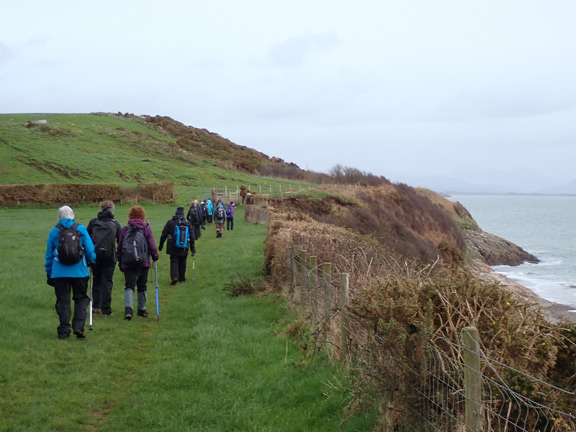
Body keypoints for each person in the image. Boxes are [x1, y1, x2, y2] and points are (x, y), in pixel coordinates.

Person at [45, 205, 96, 339]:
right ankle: (79, 326)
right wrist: (92, 261)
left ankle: (64, 330)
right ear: (73, 215)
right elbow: (90, 250)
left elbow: (49, 256)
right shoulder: (80, 229)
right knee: (80, 299)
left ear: (59, 217)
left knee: (63, 301)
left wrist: (49, 272)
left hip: (59, 273)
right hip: (79, 271)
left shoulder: (54, 231)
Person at [117, 206, 159, 320]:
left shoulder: (125, 229)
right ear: (143, 216)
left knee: (129, 286)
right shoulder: (146, 228)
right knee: (142, 286)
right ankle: (142, 310)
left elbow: (120, 247)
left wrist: (120, 261)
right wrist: (155, 256)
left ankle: (128, 310)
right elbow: (152, 245)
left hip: (128, 262)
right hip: (143, 262)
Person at [87, 200, 121, 317]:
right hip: (109, 257)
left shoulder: (93, 222)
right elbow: (120, 241)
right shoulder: (115, 224)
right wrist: (118, 255)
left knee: (96, 280)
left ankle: (96, 306)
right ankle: (106, 310)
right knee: (107, 282)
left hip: (95, 256)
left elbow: (87, 240)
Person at [159, 206, 195, 285]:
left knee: (174, 261)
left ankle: (174, 277)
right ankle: (182, 278)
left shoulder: (170, 222)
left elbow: (164, 234)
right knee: (183, 261)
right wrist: (193, 249)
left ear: (176, 213)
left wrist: (161, 245)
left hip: (172, 246)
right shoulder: (187, 223)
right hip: (184, 246)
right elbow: (192, 237)